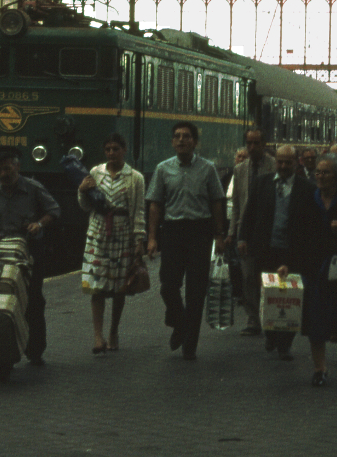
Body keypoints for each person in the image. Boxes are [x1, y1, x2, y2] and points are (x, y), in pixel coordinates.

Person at [0, 147, 61, 365]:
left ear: (17, 167)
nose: (3, 174)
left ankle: (35, 350)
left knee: (33, 300)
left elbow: (54, 210)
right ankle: (2, 346)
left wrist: (39, 224)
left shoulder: (33, 189)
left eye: (7, 168)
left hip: (28, 254)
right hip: (0, 254)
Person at [279, 153, 337, 386]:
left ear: (336, 176)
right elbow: (295, 233)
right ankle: (320, 369)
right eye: (317, 171)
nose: (319, 176)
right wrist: (288, 262)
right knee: (314, 319)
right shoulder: (307, 199)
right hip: (313, 267)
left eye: (325, 172)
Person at [146, 121, 226, 361]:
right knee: (168, 285)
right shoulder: (163, 169)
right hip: (172, 231)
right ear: (172, 142)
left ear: (194, 142)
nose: (181, 140)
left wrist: (219, 235)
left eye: (186, 136)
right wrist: (151, 238)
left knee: (196, 291)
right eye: (177, 137)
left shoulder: (208, 169)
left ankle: (189, 344)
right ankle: (180, 323)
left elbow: (217, 202)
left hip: (200, 232)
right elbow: (155, 204)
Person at [238, 145, 314, 361]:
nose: (282, 166)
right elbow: (249, 212)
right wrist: (243, 237)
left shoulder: (306, 188)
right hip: (266, 248)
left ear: (296, 162)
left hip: (292, 251)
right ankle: (271, 333)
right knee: (267, 293)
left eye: (287, 162)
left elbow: (309, 224)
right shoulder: (262, 184)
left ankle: (284, 344)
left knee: (290, 296)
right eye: (280, 162)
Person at [77, 133, 147, 354]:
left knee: (119, 287)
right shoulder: (95, 173)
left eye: (115, 149)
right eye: (107, 149)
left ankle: (113, 331)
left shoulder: (135, 177)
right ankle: (98, 337)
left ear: (124, 150)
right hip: (98, 233)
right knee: (96, 286)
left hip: (122, 234)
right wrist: (82, 191)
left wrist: (139, 239)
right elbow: (86, 206)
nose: (111, 153)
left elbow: (138, 210)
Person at [228, 128, 278, 335]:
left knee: (268, 276)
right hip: (246, 230)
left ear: (264, 144)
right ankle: (252, 319)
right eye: (249, 143)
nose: (252, 147)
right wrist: (233, 232)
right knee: (247, 276)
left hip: (269, 231)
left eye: (256, 143)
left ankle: (270, 317)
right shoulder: (240, 170)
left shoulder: (274, 167)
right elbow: (237, 204)